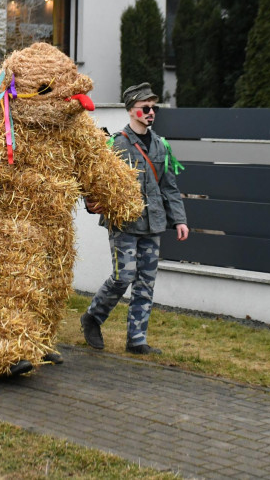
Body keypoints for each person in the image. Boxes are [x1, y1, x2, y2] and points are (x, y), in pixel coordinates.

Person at [80, 82, 189, 355]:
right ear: (131, 111)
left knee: (145, 283)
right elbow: (94, 179)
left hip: (153, 224)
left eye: (154, 108)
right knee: (123, 276)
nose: (151, 112)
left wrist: (180, 220)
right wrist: (92, 203)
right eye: (145, 108)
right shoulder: (115, 143)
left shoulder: (162, 146)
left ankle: (136, 340)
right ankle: (93, 316)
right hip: (124, 223)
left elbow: (169, 187)